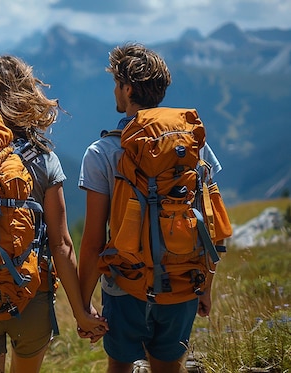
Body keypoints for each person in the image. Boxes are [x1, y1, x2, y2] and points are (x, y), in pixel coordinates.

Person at [0, 55, 108, 373]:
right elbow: (61, 246)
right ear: (26, 93)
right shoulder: (44, 160)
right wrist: (82, 312)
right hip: (31, 299)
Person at [77, 43, 223, 372]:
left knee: (120, 366)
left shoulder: (101, 152)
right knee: (169, 366)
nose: (115, 91)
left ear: (128, 89)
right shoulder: (194, 146)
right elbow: (209, 222)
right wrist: (206, 287)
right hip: (182, 278)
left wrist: (83, 307)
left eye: (117, 84)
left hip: (124, 284)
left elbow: (92, 242)